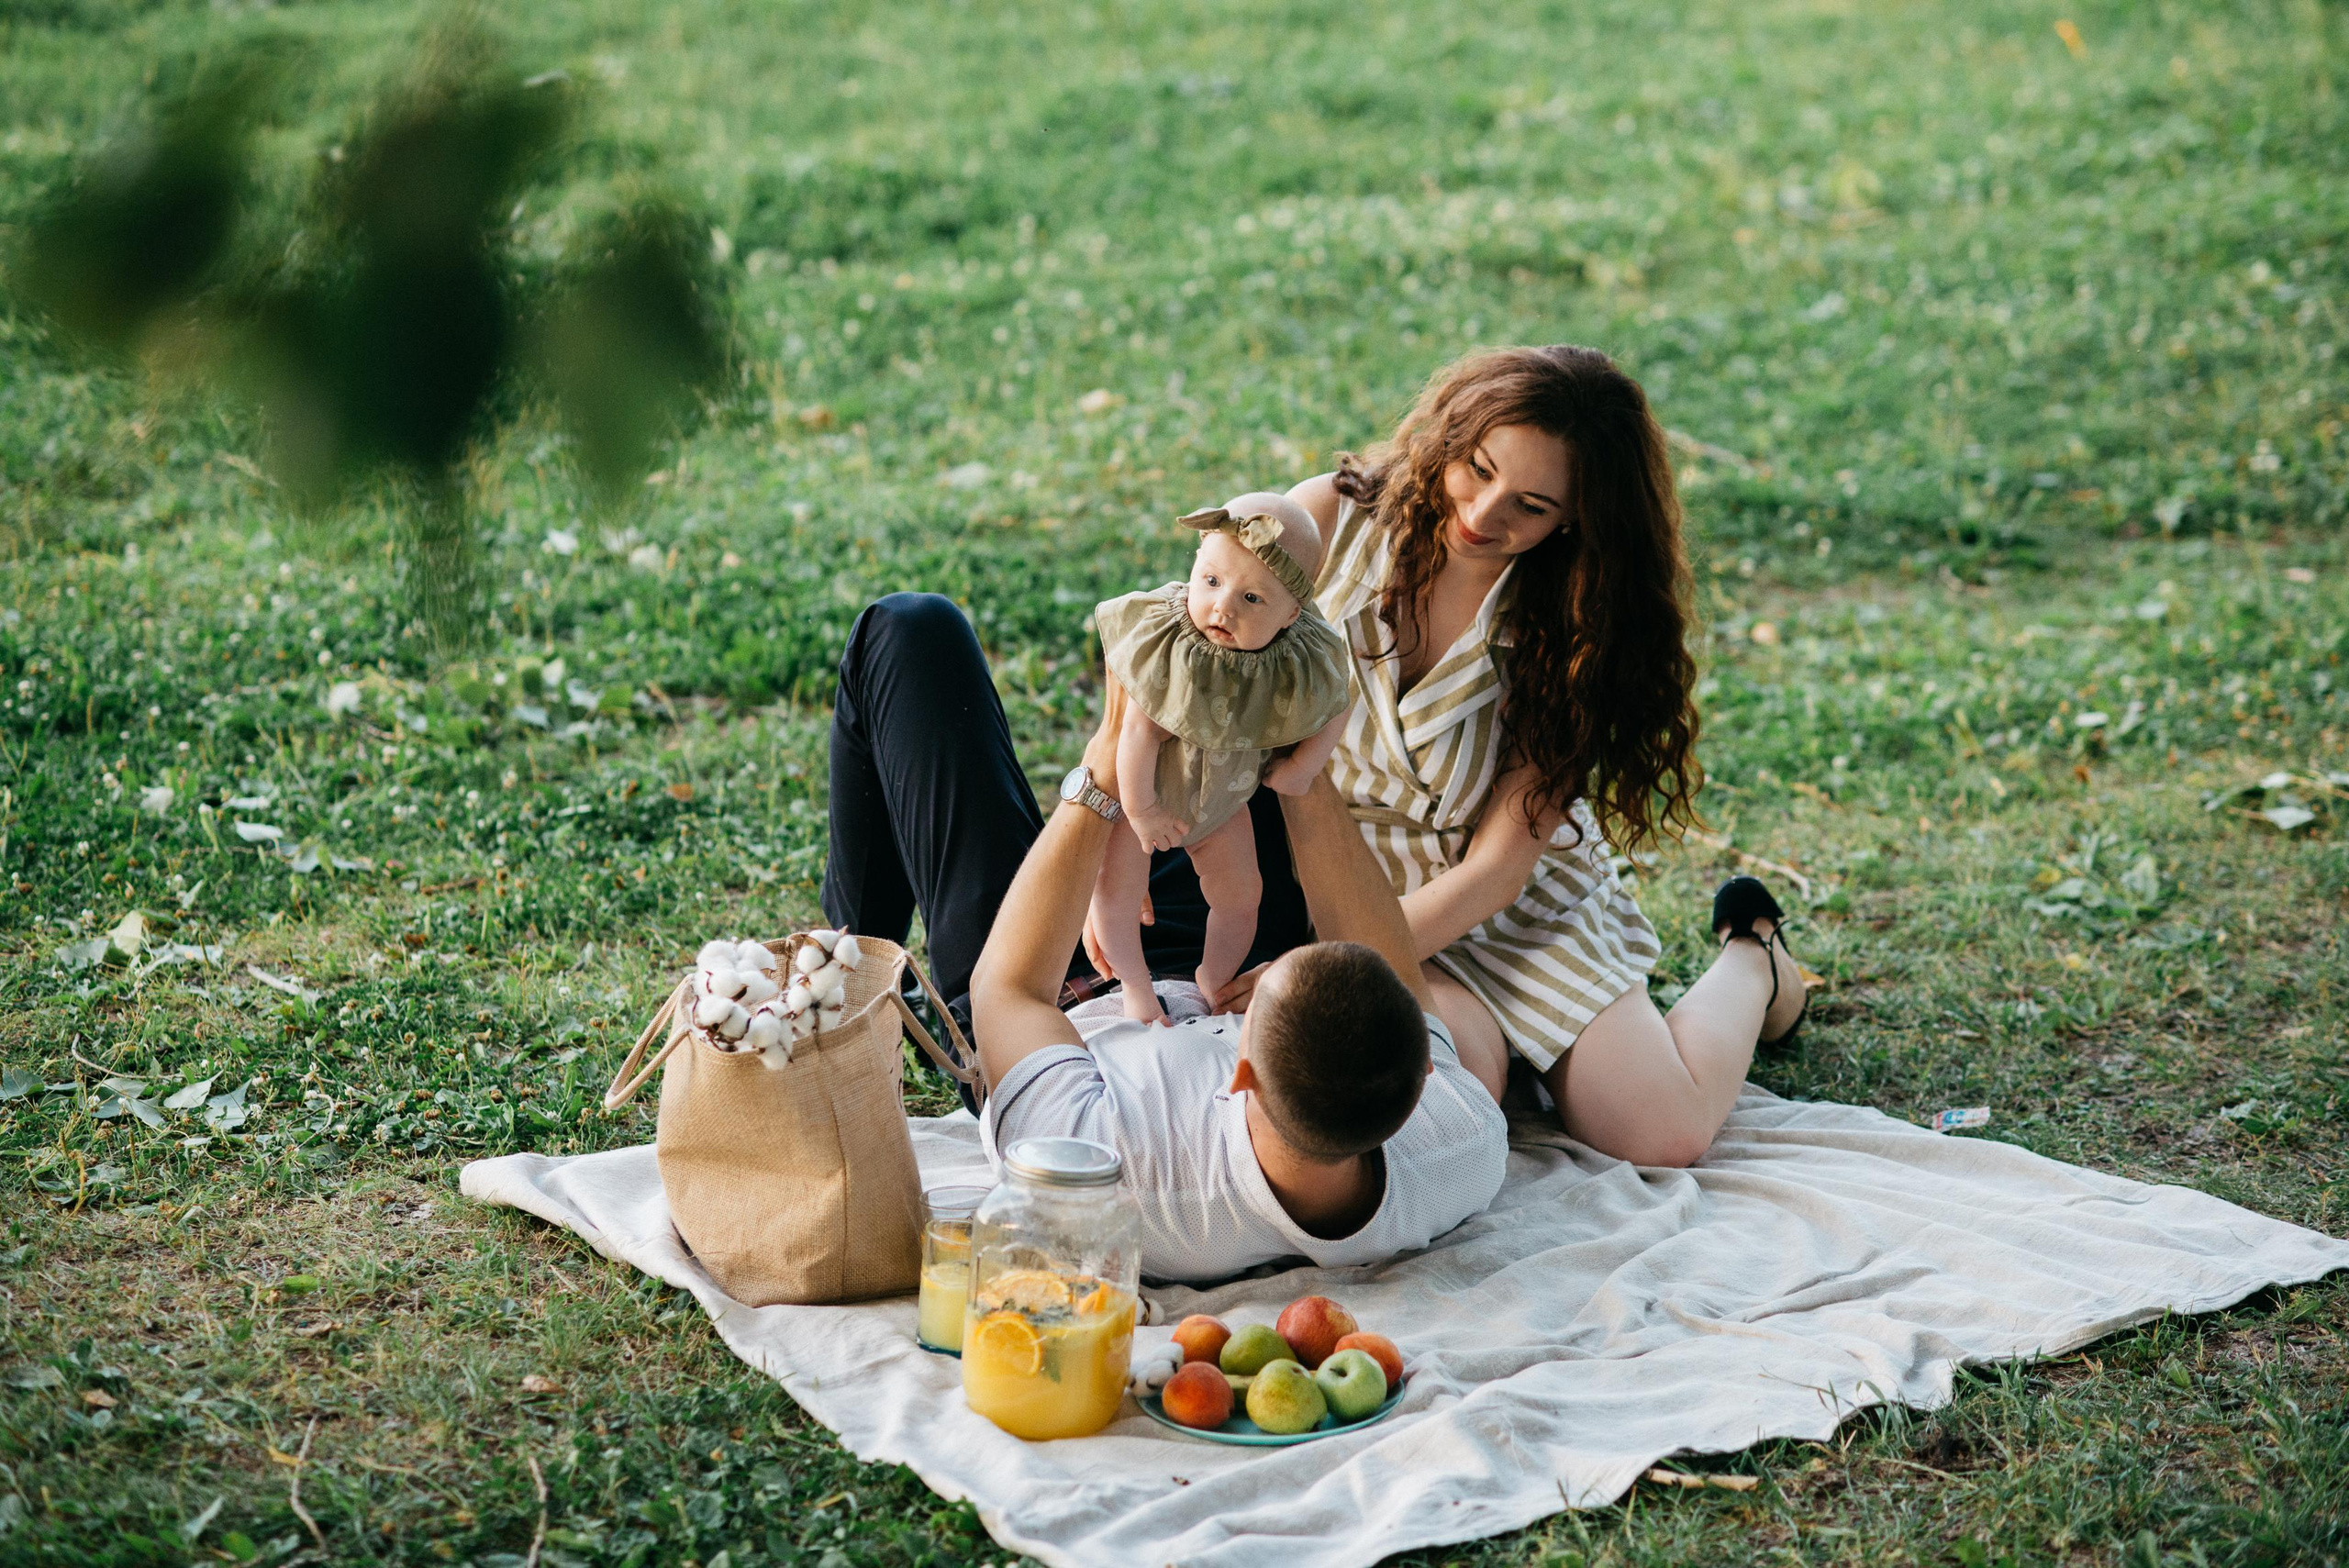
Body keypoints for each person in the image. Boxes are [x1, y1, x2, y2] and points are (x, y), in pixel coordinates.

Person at [818, 593, 1506, 1283]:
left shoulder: (1096, 1169)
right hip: (1211, 950)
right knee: (1235, 647)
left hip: (1054, 1002)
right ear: (1424, 1077)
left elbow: (1011, 986)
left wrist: (1107, 773)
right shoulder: (1458, 1142)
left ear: (1240, 1075)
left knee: (908, 632)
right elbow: (1388, 966)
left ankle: (834, 1009)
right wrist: (1299, 772)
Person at [1256, 343, 1811, 1168]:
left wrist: (1323, 961)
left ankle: (1755, 954)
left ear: (1576, 517)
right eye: (1476, 469)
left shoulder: (1573, 624)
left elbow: (1500, 871)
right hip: (1355, 884)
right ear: (1449, 437)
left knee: (1661, 1135)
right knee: (1442, 1093)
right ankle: (1519, 1061)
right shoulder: (1327, 525)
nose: (1484, 513)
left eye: (1531, 503)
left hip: (1513, 906)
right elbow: (1195, 661)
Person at [1088, 492, 1353, 1023]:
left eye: (1253, 599)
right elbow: (1136, 735)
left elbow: (1338, 703)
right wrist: (1142, 812)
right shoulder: (1178, 648)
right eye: (1210, 582)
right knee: (1116, 894)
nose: (1223, 606)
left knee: (1240, 897)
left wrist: (1300, 770)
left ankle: (1213, 975)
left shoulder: (1295, 657)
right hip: (1147, 792)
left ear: (1291, 615)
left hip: (1224, 803)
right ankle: (1136, 988)